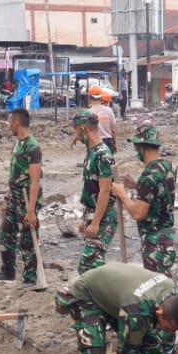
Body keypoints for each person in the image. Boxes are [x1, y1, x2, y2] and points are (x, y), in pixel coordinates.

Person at [0, 109, 44, 287]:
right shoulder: (17, 144)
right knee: (5, 233)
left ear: (16, 123)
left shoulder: (32, 147)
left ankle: (30, 277)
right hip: (14, 197)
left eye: (9, 122)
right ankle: (8, 271)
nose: (8, 125)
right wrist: (7, 199)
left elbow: (35, 181)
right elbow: (14, 175)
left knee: (27, 238)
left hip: (27, 198)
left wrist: (31, 211)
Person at [112, 125, 175, 276]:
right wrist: (137, 186)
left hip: (154, 243)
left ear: (141, 147)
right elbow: (159, 191)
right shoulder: (168, 166)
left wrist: (122, 194)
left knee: (156, 290)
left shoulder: (149, 175)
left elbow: (139, 213)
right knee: (164, 285)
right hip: (167, 237)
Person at [71, 108, 117, 273]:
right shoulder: (91, 152)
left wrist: (96, 222)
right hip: (94, 213)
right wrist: (87, 219)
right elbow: (92, 188)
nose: (76, 136)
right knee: (93, 266)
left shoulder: (102, 154)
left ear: (83, 129)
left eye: (76, 131)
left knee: (88, 266)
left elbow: (105, 191)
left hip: (104, 217)